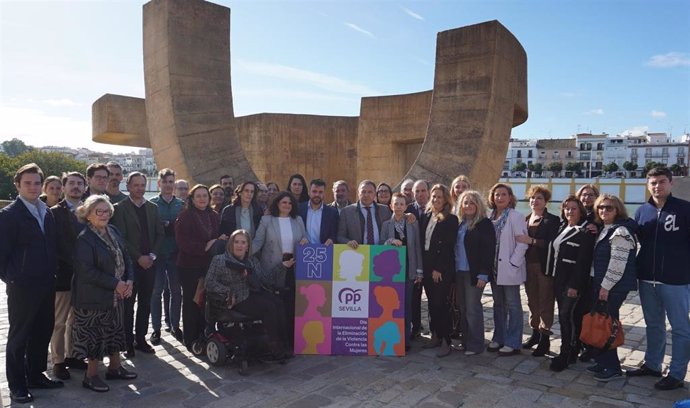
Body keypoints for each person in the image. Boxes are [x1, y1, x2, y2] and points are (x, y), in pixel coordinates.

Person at [0, 163, 62, 404]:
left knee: (42, 331)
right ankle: (17, 385)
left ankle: (36, 375)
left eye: (37, 183)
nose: (33, 187)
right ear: (18, 185)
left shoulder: (46, 211)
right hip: (23, 286)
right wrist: (15, 278)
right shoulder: (9, 215)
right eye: (28, 183)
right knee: (19, 337)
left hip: (47, 283)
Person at [629, 166, 690, 390]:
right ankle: (653, 364)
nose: (657, 186)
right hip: (647, 278)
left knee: (681, 328)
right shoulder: (641, 211)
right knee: (653, 325)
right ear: (647, 185)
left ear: (670, 183)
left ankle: (676, 373)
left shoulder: (685, 210)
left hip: (676, 280)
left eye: (662, 182)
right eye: (653, 182)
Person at [72, 195, 137, 392]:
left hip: (116, 294)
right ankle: (90, 376)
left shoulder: (113, 230)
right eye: (98, 211)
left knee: (116, 331)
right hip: (93, 296)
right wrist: (116, 283)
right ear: (88, 215)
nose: (103, 215)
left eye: (106, 211)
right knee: (94, 337)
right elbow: (86, 271)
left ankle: (115, 368)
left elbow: (126, 257)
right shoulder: (84, 239)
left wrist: (130, 280)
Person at [205, 230, 291, 360]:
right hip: (236, 299)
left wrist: (282, 266)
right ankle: (274, 347)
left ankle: (284, 343)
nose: (239, 245)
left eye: (243, 243)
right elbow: (209, 283)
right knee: (269, 307)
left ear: (247, 246)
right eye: (236, 242)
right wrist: (227, 291)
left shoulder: (252, 261)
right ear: (231, 244)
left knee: (278, 303)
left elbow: (265, 279)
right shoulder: (220, 260)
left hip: (254, 293)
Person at [110, 172, 164, 356]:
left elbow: (160, 234)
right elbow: (120, 238)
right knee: (128, 305)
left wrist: (152, 256)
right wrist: (138, 257)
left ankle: (141, 339)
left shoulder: (153, 207)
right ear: (128, 186)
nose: (140, 189)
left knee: (145, 303)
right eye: (136, 185)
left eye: (143, 185)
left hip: (150, 263)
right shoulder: (120, 208)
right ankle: (127, 342)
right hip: (130, 265)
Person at [587, 193, 637, 381]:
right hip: (603, 283)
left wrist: (605, 287)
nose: (604, 210)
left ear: (618, 210)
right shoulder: (606, 228)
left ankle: (613, 367)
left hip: (612, 286)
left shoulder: (620, 232)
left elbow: (618, 263)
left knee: (608, 325)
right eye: (601, 207)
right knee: (602, 322)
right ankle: (602, 362)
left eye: (609, 207)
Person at [252, 191, 307, 348]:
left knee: (291, 305)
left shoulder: (298, 220)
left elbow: (305, 238)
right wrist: (239, 254)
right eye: (284, 202)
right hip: (273, 267)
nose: (287, 205)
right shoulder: (267, 220)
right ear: (277, 204)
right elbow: (257, 242)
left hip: (294, 268)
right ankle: (277, 341)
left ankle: (291, 341)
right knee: (276, 306)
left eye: (290, 203)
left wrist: (305, 240)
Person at [546, 196, 594, 372]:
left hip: (571, 283)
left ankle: (566, 353)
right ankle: (571, 351)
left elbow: (583, 263)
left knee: (567, 318)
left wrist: (575, 285)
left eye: (574, 208)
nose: (570, 211)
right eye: (567, 208)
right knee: (565, 317)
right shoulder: (562, 228)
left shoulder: (585, 233)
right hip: (558, 280)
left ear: (580, 211)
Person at [175, 184, 226, 350]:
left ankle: (204, 334)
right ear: (192, 198)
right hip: (190, 266)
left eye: (205, 195)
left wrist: (219, 240)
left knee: (206, 302)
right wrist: (206, 246)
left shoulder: (214, 215)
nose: (202, 199)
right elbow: (183, 243)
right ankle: (190, 338)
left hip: (208, 266)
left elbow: (215, 237)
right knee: (192, 302)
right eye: (199, 196)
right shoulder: (185, 216)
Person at [50, 171, 88, 380]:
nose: (75, 187)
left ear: (84, 187)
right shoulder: (54, 213)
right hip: (64, 275)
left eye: (79, 184)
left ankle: (73, 355)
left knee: (77, 319)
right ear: (63, 187)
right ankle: (58, 361)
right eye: (71, 183)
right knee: (60, 321)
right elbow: (56, 246)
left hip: (85, 278)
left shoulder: (89, 212)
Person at [515, 185, 560, 357]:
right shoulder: (525, 218)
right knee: (532, 301)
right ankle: (534, 333)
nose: (535, 201)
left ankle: (545, 338)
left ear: (546, 201)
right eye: (532, 198)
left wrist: (531, 240)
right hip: (527, 266)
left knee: (545, 301)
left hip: (543, 267)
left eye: (539, 198)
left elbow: (551, 243)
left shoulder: (552, 220)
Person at [487, 183, 528, 356]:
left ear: (510, 197)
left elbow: (522, 242)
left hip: (508, 267)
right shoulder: (489, 216)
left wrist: (513, 263)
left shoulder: (516, 216)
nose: (500, 198)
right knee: (498, 305)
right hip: (494, 268)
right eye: (497, 194)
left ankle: (513, 342)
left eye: (504, 194)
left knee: (513, 305)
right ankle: (499, 337)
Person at [454, 190, 495, 356]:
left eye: (472, 203)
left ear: (478, 205)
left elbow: (488, 250)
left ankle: (476, 344)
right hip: (459, 271)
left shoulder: (484, 224)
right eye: (465, 203)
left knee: (473, 309)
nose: (468, 206)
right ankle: (466, 340)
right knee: (463, 308)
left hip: (474, 273)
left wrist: (483, 274)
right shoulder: (459, 223)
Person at [380, 193, 422, 350]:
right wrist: (390, 241)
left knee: (406, 305)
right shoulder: (386, 225)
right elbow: (380, 245)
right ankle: (391, 339)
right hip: (391, 273)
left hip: (408, 270)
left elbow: (417, 247)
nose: (398, 207)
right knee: (391, 306)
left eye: (401, 204)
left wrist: (419, 271)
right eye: (395, 204)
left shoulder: (412, 223)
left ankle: (404, 340)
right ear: (391, 206)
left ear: (406, 207)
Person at [421, 184, 458, 357]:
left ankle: (446, 341)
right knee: (432, 304)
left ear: (446, 200)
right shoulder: (427, 215)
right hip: (427, 265)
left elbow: (448, 246)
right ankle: (435, 335)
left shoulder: (450, 219)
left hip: (440, 268)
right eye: (434, 196)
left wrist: (438, 268)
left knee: (441, 304)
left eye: (439, 197)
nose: (436, 200)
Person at [149, 169, 185, 344]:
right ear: (159, 184)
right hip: (158, 254)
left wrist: (169, 227)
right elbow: (150, 230)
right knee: (156, 292)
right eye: (165, 182)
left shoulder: (181, 205)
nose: (168, 185)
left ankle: (175, 325)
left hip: (176, 253)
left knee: (176, 291)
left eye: (171, 182)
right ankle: (156, 329)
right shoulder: (152, 204)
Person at [406, 179, 430, 338]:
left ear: (428, 192)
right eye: (417, 191)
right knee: (414, 297)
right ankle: (415, 328)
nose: (420, 194)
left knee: (434, 298)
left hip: (430, 260)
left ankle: (436, 330)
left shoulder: (436, 209)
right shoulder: (407, 209)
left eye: (423, 191)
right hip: (413, 260)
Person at [337, 180, 392, 248]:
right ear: (358, 193)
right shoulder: (346, 212)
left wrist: (406, 215)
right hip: (357, 253)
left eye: (370, 192)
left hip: (380, 253)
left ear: (375, 194)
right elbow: (340, 236)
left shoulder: (385, 210)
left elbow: (392, 229)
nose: (366, 195)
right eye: (363, 192)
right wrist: (348, 242)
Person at [299, 179, 339, 245]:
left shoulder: (332, 213)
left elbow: (335, 234)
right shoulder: (299, 209)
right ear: (309, 192)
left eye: (320, 192)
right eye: (314, 191)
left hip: (323, 252)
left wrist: (331, 240)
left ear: (324, 193)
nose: (317, 194)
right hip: (303, 251)